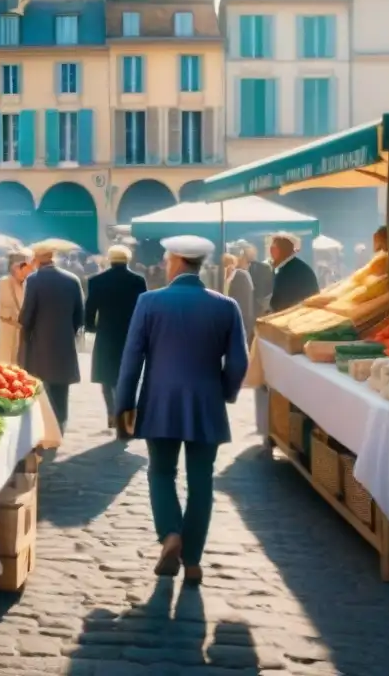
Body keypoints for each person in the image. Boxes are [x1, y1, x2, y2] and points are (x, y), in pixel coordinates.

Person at [113, 235, 249, 585]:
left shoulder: (149, 302)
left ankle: (171, 534)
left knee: (161, 472)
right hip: (206, 403)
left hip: (159, 402)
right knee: (201, 481)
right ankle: (193, 562)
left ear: (175, 260)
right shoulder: (225, 305)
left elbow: (131, 361)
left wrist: (124, 404)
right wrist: (225, 393)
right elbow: (238, 362)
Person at [19, 245, 84, 426]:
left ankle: (44, 423)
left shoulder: (34, 280)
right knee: (61, 385)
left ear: (37, 259)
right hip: (64, 340)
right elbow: (80, 314)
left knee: (40, 382)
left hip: (40, 341)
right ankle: (61, 418)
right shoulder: (72, 279)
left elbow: (27, 315)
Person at [84, 245, 146, 428]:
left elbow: (90, 308)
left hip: (106, 334)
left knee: (106, 376)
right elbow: (143, 309)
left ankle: (111, 413)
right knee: (127, 376)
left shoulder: (97, 280)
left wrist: (91, 327)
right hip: (130, 334)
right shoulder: (138, 280)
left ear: (109, 259)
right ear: (128, 259)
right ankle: (126, 414)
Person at [0, 252, 32, 364]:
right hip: (7, 332)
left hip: (23, 334)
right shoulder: (4, 283)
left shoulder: (29, 283)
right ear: (14, 268)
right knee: (5, 364)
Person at [268, 234, 320, 313]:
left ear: (283, 250)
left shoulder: (294, 271)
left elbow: (283, 302)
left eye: (273, 249)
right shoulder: (289, 267)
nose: (270, 253)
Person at [222, 253, 255, 339]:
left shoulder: (242, 276)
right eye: (225, 265)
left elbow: (245, 303)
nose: (228, 267)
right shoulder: (223, 278)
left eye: (231, 263)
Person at [240, 244, 273, 316]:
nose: (252, 255)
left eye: (253, 253)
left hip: (259, 303)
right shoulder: (238, 269)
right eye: (248, 253)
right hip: (244, 303)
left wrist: (262, 301)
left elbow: (270, 285)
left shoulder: (264, 268)